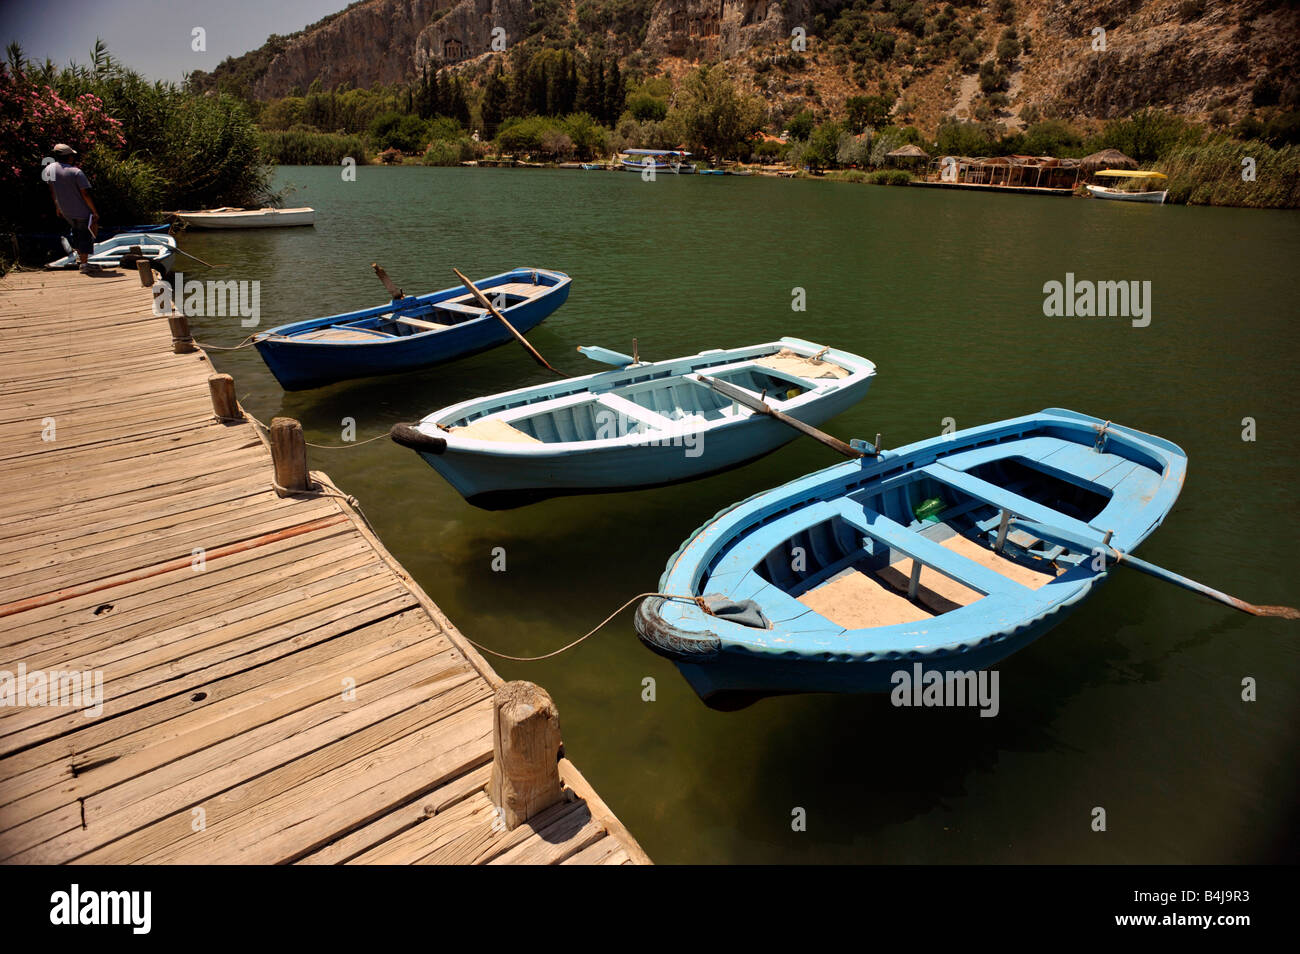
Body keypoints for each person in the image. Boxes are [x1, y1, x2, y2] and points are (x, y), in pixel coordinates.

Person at [45, 144, 101, 273]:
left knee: (76, 233)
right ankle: (84, 264)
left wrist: (57, 206)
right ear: (68, 157)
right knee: (85, 235)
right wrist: (94, 211)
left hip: (65, 209)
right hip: (80, 209)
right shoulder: (76, 172)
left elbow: (52, 189)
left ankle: (82, 260)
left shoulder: (49, 169)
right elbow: (85, 194)